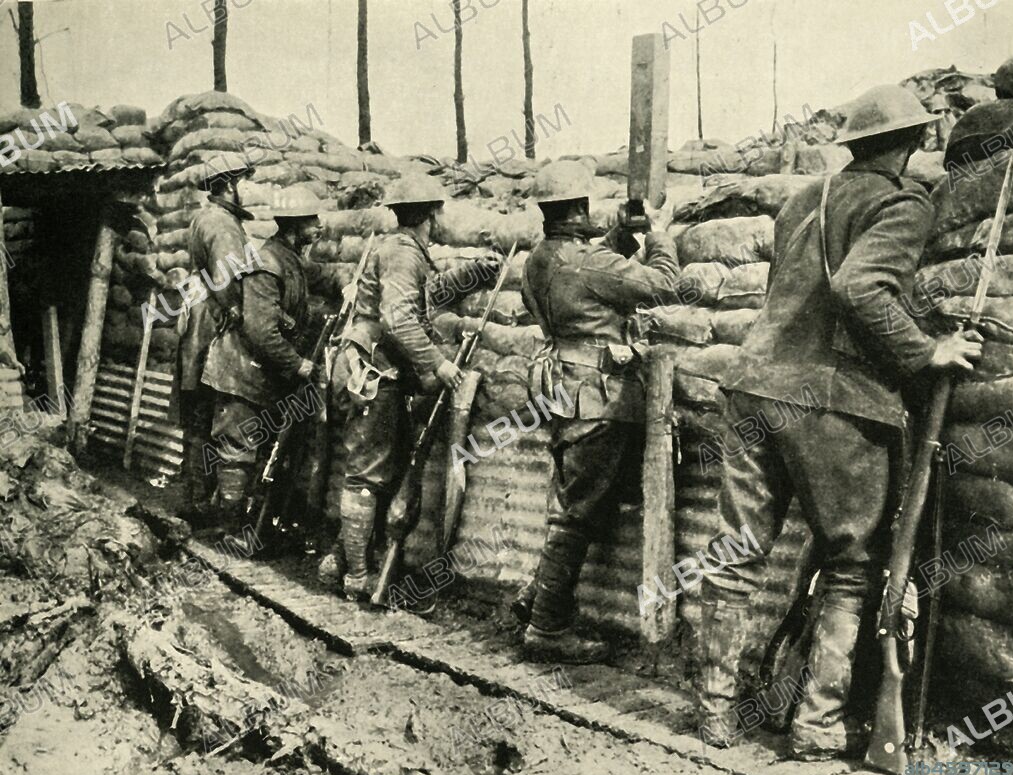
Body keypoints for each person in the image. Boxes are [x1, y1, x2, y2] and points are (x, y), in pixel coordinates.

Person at [696, 85, 984, 756]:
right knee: (853, 564)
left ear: (854, 142)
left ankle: (713, 715)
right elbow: (857, 287)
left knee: (737, 553)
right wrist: (925, 350)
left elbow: (794, 296)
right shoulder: (904, 203)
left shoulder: (803, 199)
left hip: (752, 383)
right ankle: (816, 724)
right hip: (831, 399)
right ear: (914, 142)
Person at [518, 160, 684, 664]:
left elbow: (592, 275)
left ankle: (535, 598)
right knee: (577, 514)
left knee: (574, 503)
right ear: (576, 210)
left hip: (562, 395)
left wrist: (617, 236)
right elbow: (663, 284)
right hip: (598, 398)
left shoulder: (538, 260)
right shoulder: (586, 262)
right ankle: (546, 627)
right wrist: (658, 235)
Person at [326, 174, 499, 600]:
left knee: (379, 471)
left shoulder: (402, 250)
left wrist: (471, 274)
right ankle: (357, 578)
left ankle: (339, 561)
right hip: (374, 373)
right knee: (366, 476)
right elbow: (399, 318)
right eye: (438, 213)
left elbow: (422, 296)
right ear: (429, 216)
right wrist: (438, 363)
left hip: (380, 371)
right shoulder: (403, 253)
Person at [201, 185, 323, 538]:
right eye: (312, 220)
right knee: (238, 451)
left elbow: (315, 275)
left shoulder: (289, 259)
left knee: (257, 451)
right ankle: (229, 529)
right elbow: (260, 331)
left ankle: (246, 524)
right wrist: (297, 364)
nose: (319, 226)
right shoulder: (268, 263)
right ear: (295, 225)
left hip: (260, 373)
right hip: (241, 371)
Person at [176, 153, 256, 526]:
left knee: (197, 421)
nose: (249, 189)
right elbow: (227, 281)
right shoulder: (223, 225)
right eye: (245, 181)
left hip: (197, 325)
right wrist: (243, 315)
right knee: (213, 417)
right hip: (212, 329)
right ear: (229, 185)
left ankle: (196, 500)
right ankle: (207, 507)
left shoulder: (204, 217)